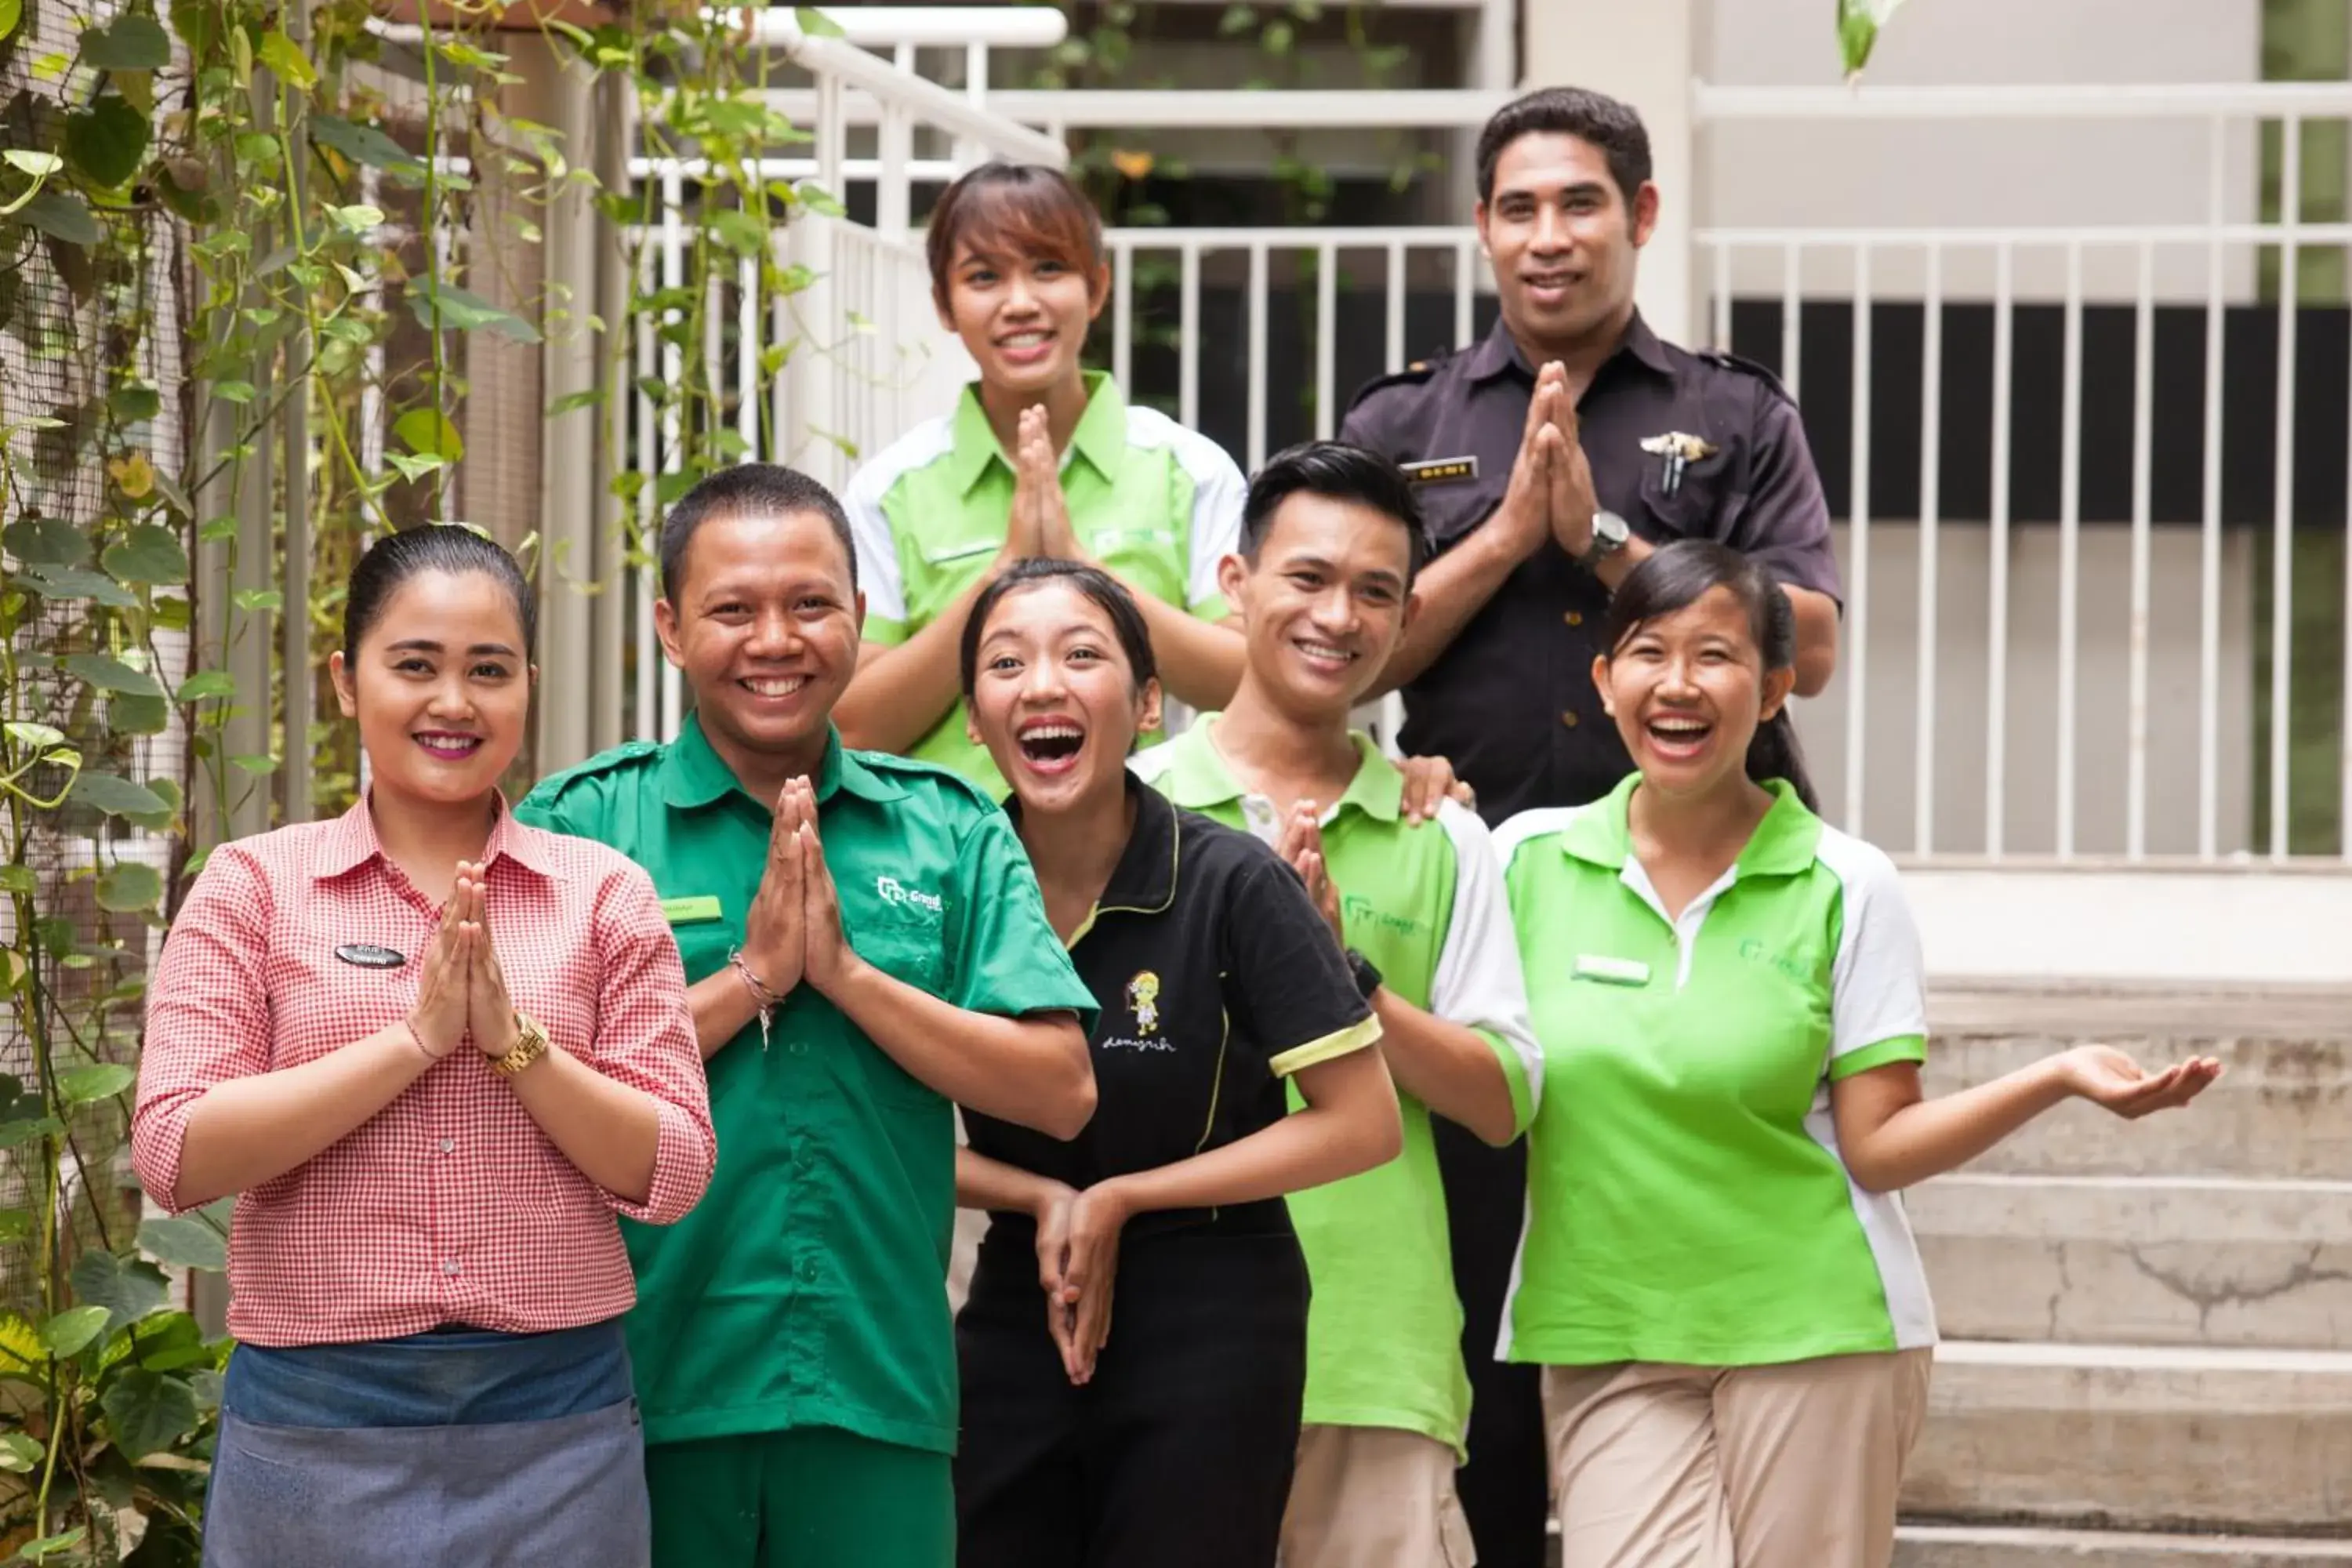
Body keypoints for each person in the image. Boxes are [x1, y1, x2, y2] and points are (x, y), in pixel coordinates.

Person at [1337, 86, 1850, 1563]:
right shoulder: (1405, 420)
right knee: (1486, 1274)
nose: (1547, 236)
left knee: (1713, 1230)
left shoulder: (1733, 411)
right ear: (1483, 224)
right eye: (1517, 207)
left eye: (1579, 203)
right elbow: (1347, 647)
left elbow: (1806, 645)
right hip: (1486, 902)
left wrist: (1608, 545)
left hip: (1708, 899)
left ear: (1640, 214)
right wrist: (1506, 534)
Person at [1494, 540, 2221, 1568]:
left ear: (1777, 687)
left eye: (1717, 655)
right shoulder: (1519, 858)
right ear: (1607, 681)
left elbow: (1878, 1146)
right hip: (1604, 1324)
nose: (1681, 684)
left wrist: (2054, 1077)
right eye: (1650, 652)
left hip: (1816, 1324)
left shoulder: (1847, 883)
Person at [516, 464, 1100, 1568]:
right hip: (636, 1390)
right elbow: (535, 1085)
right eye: (733, 609)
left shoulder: (949, 828)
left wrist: (846, 977)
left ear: (861, 619)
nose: (774, 639)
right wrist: (754, 978)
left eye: (810, 605)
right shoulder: (588, 825)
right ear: (671, 628)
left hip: (875, 1389)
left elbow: (1061, 1091)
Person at [132, 525, 716, 1568]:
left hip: (557, 1419)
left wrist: (514, 1043)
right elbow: (177, 1154)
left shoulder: (603, 894)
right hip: (314, 1421)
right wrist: (412, 1042)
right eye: (415, 665)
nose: (454, 702)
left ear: (526, 688)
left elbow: (671, 1171)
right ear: (346, 681)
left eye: (488, 671)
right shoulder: (252, 887)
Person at [1127, 441, 1543, 1568]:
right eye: (1306, 578)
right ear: (1235, 582)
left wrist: (1342, 976)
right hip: (1158, 1348)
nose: (1337, 617)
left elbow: (1502, 1103)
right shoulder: (1130, 814)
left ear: (1406, 619)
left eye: (1375, 592)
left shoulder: (1443, 833)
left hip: (1376, 1360)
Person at [950, 557, 1405, 1568]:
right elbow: (869, 1117)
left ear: (1149, 705)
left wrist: (1120, 1197)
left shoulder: (1233, 879)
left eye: (1082, 655)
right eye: (1006, 662)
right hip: (1024, 1293)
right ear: (976, 719)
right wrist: (1039, 1197)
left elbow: (1361, 1119)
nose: (1043, 686)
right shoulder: (951, 887)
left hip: (1216, 1301)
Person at [836, 160, 1247, 800]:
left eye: (1048, 269)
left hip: (1155, 857)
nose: (1020, 303)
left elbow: (1248, 684)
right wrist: (1003, 571)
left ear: (1098, 287)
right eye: (984, 277)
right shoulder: (891, 488)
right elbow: (855, 724)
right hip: (950, 864)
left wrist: (1084, 569)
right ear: (945, 304)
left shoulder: (1187, 467)